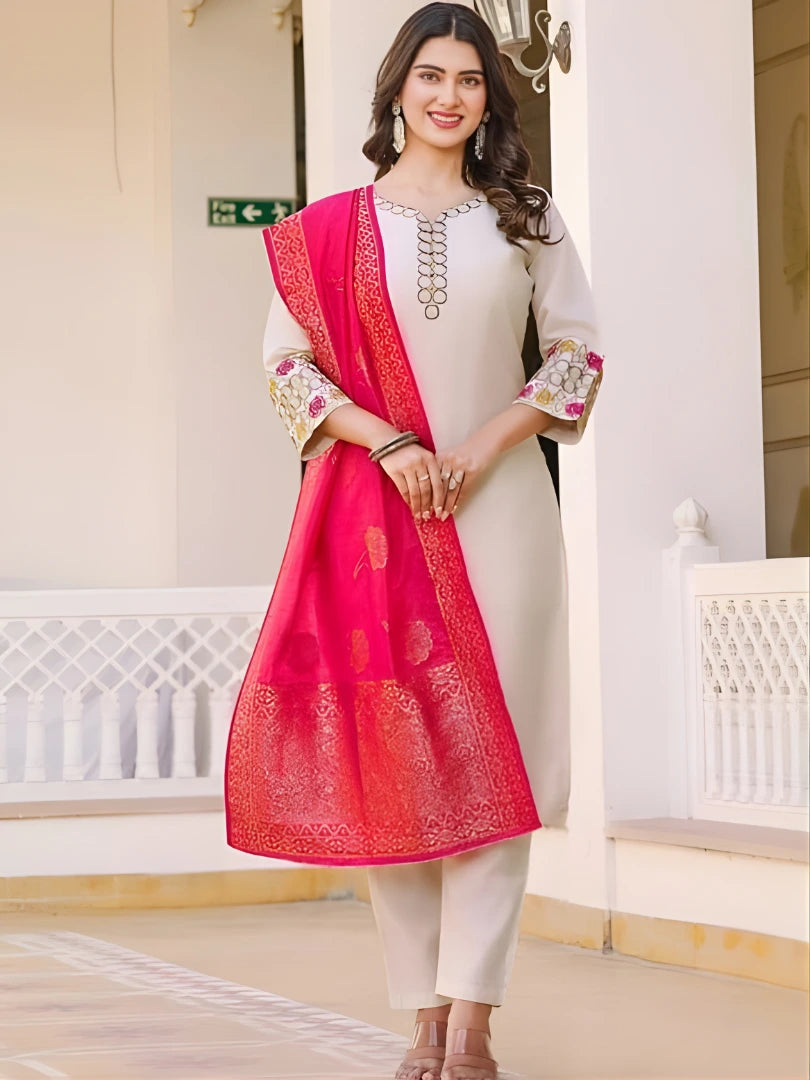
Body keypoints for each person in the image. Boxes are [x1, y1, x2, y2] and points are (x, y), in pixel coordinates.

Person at [224, 4, 605, 1077]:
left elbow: (576, 356)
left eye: (470, 80)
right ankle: (422, 1016)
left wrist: (485, 441)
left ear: (490, 98)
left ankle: (473, 1017)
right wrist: (391, 442)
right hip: (380, 521)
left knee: (502, 755)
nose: (448, 96)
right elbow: (289, 369)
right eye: (430, 76)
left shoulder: (525, 217)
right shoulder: (330, 229)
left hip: (505, 509)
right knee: (395, 761)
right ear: (397, 89)